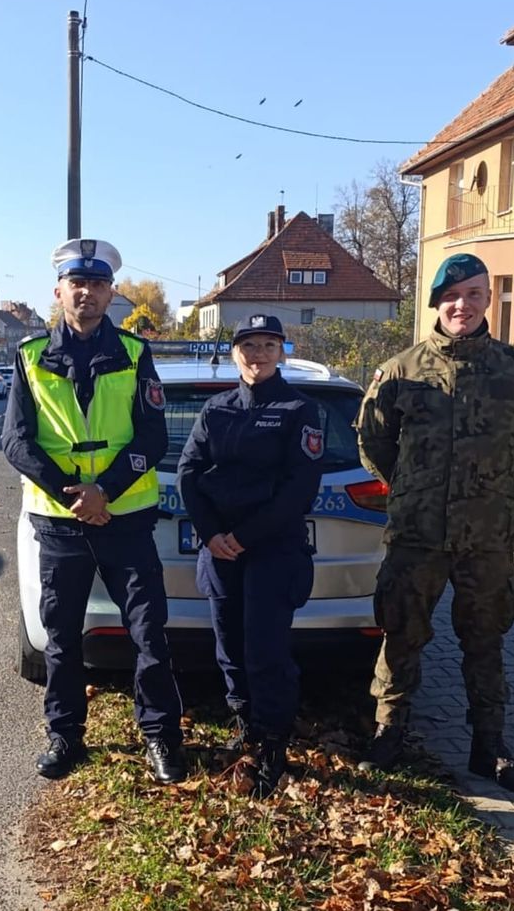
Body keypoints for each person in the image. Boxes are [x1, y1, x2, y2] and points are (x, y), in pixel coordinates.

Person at [355, 252, 514, 794]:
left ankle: (488, 746)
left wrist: (492, 484)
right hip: (417, 535)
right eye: (451, 296)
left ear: (487, 299)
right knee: (401, 634)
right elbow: (373, 440)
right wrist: (411, 486)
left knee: (486, 639)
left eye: (472, 294)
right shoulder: (401, 371)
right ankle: (389, 731)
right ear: (436, 305)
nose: (461, 305)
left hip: (488, 537)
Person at [1, 238, 187, 785]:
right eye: (77, 284)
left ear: (111, 293)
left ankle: (160, 737)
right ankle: (65, 736)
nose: (87, 293)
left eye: (98, 284)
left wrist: (104, 490)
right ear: (59, 291)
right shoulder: (31, 356)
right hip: (60, 523)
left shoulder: (133, 353)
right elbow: (15, 441)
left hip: (126, 518)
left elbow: (154, 436)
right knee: (61, 638)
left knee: (149, 632)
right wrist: (72, 495)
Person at [177, 314, 324, 797]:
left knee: (266, 652)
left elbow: (298, 490)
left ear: (281, 351)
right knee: (228, 646)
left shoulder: (298, 409)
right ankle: (246, 724)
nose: (257, 354)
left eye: (267, 344)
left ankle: (273, 743)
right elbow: (189, 472)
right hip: (219, 550)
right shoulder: (216, 409)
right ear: (235, 352)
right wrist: (212, 533)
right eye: (248, 345)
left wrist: (244, 535)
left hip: (272, 550)